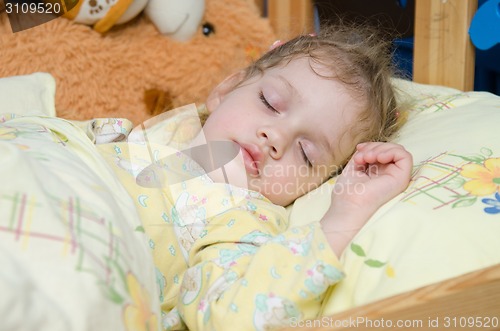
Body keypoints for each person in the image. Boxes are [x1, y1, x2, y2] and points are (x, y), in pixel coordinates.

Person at [98, 23, 412, 330]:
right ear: (226, 89)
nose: (275, 136)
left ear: (316, 186)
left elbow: (239, 316)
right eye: (270, 103)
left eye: (306, 154)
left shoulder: (239, 217)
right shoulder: (157, 134)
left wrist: (345, 213)